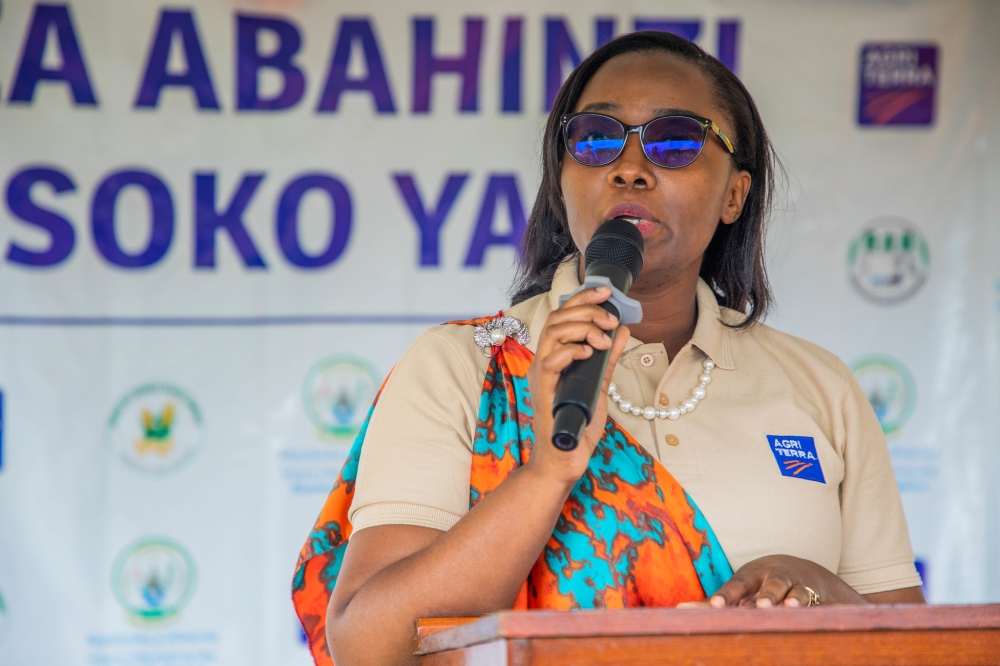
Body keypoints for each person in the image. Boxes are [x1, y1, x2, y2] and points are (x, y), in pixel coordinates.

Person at [292, 31, 924, 666]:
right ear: (561, 179)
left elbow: (920, 647)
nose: (629, 166)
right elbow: (369, 644)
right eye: (595, 139)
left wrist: (813, 587)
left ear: (735, 193)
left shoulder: (819, 386)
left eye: (675, 142)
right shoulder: (464, 368)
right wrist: (546, 471)